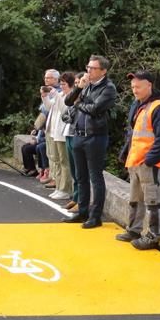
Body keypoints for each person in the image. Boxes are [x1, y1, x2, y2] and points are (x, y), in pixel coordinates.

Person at [116, 71, 160, 250]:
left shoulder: (159, 107)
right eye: (133, 87)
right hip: (136, 161)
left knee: (153, 200)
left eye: (138, 86)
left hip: (149, 163)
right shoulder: (139, 105)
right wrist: (127, 154)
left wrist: (149, 160)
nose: (134, 90)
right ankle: (134, 229)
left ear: (149, 85)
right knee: (135, 199)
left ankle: (154, 235)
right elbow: (133, 134)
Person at [64, 55, 118, 228]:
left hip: (95, 136)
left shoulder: (108, 88)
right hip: (79, 135)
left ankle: (95, 217)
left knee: (95, 176)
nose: (89, 71)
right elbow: (68, 101)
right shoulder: (86, 86)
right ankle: (82, 211)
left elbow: (95, 109)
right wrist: (79, 88)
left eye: (93, 68)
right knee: (81, 177)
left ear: (103, 70)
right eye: (88, 67)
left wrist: (80, 103)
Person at [57, 72, 79, 209]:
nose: (77, 86)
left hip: (78, 135)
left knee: (79, 171)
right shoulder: (72, 98)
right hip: (68, 133)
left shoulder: (83, 98)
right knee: (73, 170)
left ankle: (79, 200)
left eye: (79, 84)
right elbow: (65, 115)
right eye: (76, 84)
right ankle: (75, 198)